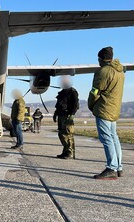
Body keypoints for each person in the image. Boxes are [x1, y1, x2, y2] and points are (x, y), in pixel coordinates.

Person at [88, 47, 125, 180]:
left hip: (104, 108)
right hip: (114, 109)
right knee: (114, 138)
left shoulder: (103, 72)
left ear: (101, 58)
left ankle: (111, 168)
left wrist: (91, 104)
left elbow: (95, 91)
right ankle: (119, 167)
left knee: (106, 138)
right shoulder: (120, 71)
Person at [53, 76, 79, 159]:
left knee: (68, 134)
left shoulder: (73, 92)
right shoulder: (62, 92)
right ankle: (65, 151)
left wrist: (72, 114)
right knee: (61, 134)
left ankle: (70, 153)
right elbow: (59, 105)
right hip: (61, 115)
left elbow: (75, 104)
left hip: (67, 115)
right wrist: (55, 114)